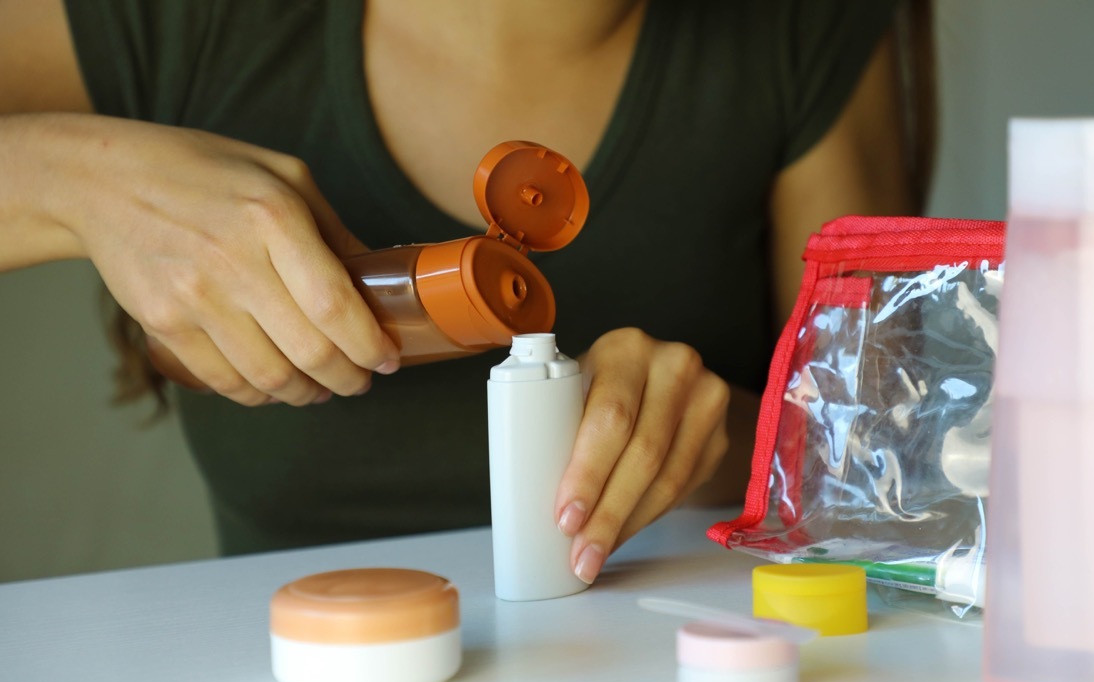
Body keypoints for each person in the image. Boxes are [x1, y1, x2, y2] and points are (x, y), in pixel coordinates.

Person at [0, 0, 928, 584]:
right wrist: (73, 179)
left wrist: (724, 440)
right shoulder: (183, 20)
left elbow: (894, 487)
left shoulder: (804, 28)